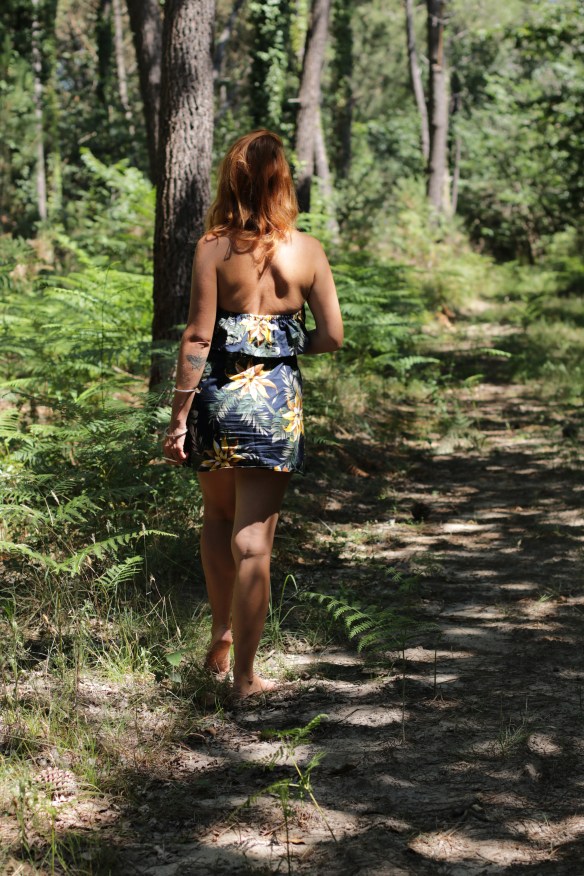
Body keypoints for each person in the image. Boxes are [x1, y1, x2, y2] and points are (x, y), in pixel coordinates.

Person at [163, 129, 343, 699]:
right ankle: (244, 678)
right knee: (254, 542)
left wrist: (177, 417)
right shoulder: (307, 250)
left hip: (217, 397)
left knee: (216, 520)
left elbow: (197, 336)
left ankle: (221, 630)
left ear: (231, 179)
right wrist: (281, 348)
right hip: (274, 405)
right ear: (281, 180)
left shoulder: (213, 247)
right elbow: (333, 337)